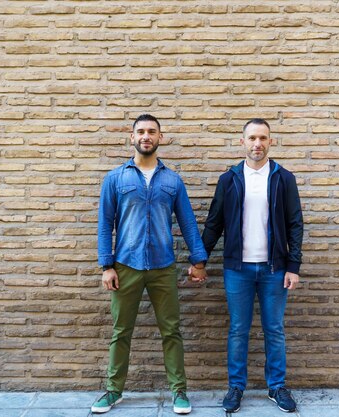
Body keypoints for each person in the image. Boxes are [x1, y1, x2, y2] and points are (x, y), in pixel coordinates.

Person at [94, 114, 208, 414]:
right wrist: (106, 265)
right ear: (132, 138)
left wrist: (198, 260)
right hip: (125, 267)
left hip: (162, 268)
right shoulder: (115, 179)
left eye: (152, 132)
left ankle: (179, 392)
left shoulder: (172, 181)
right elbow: (105, 224)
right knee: (121, 331)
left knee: (171, 331)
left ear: (160, 138)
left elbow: (188, 223)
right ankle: (113, 390)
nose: (146, 136)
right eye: (141, 131)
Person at [198, 118, 303, 413]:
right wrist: (199, 260)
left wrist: (293, 266)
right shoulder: (229, 179)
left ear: (271, 142)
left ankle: (277, 387)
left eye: (263, 138)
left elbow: (295, 224)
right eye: (252, 138)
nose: (257, 143)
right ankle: (236, 387)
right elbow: (214, 223)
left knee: (274, 329)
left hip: (275, 269)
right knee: (238, 330)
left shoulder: (284, 178)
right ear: (242, 141)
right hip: (237, 269)